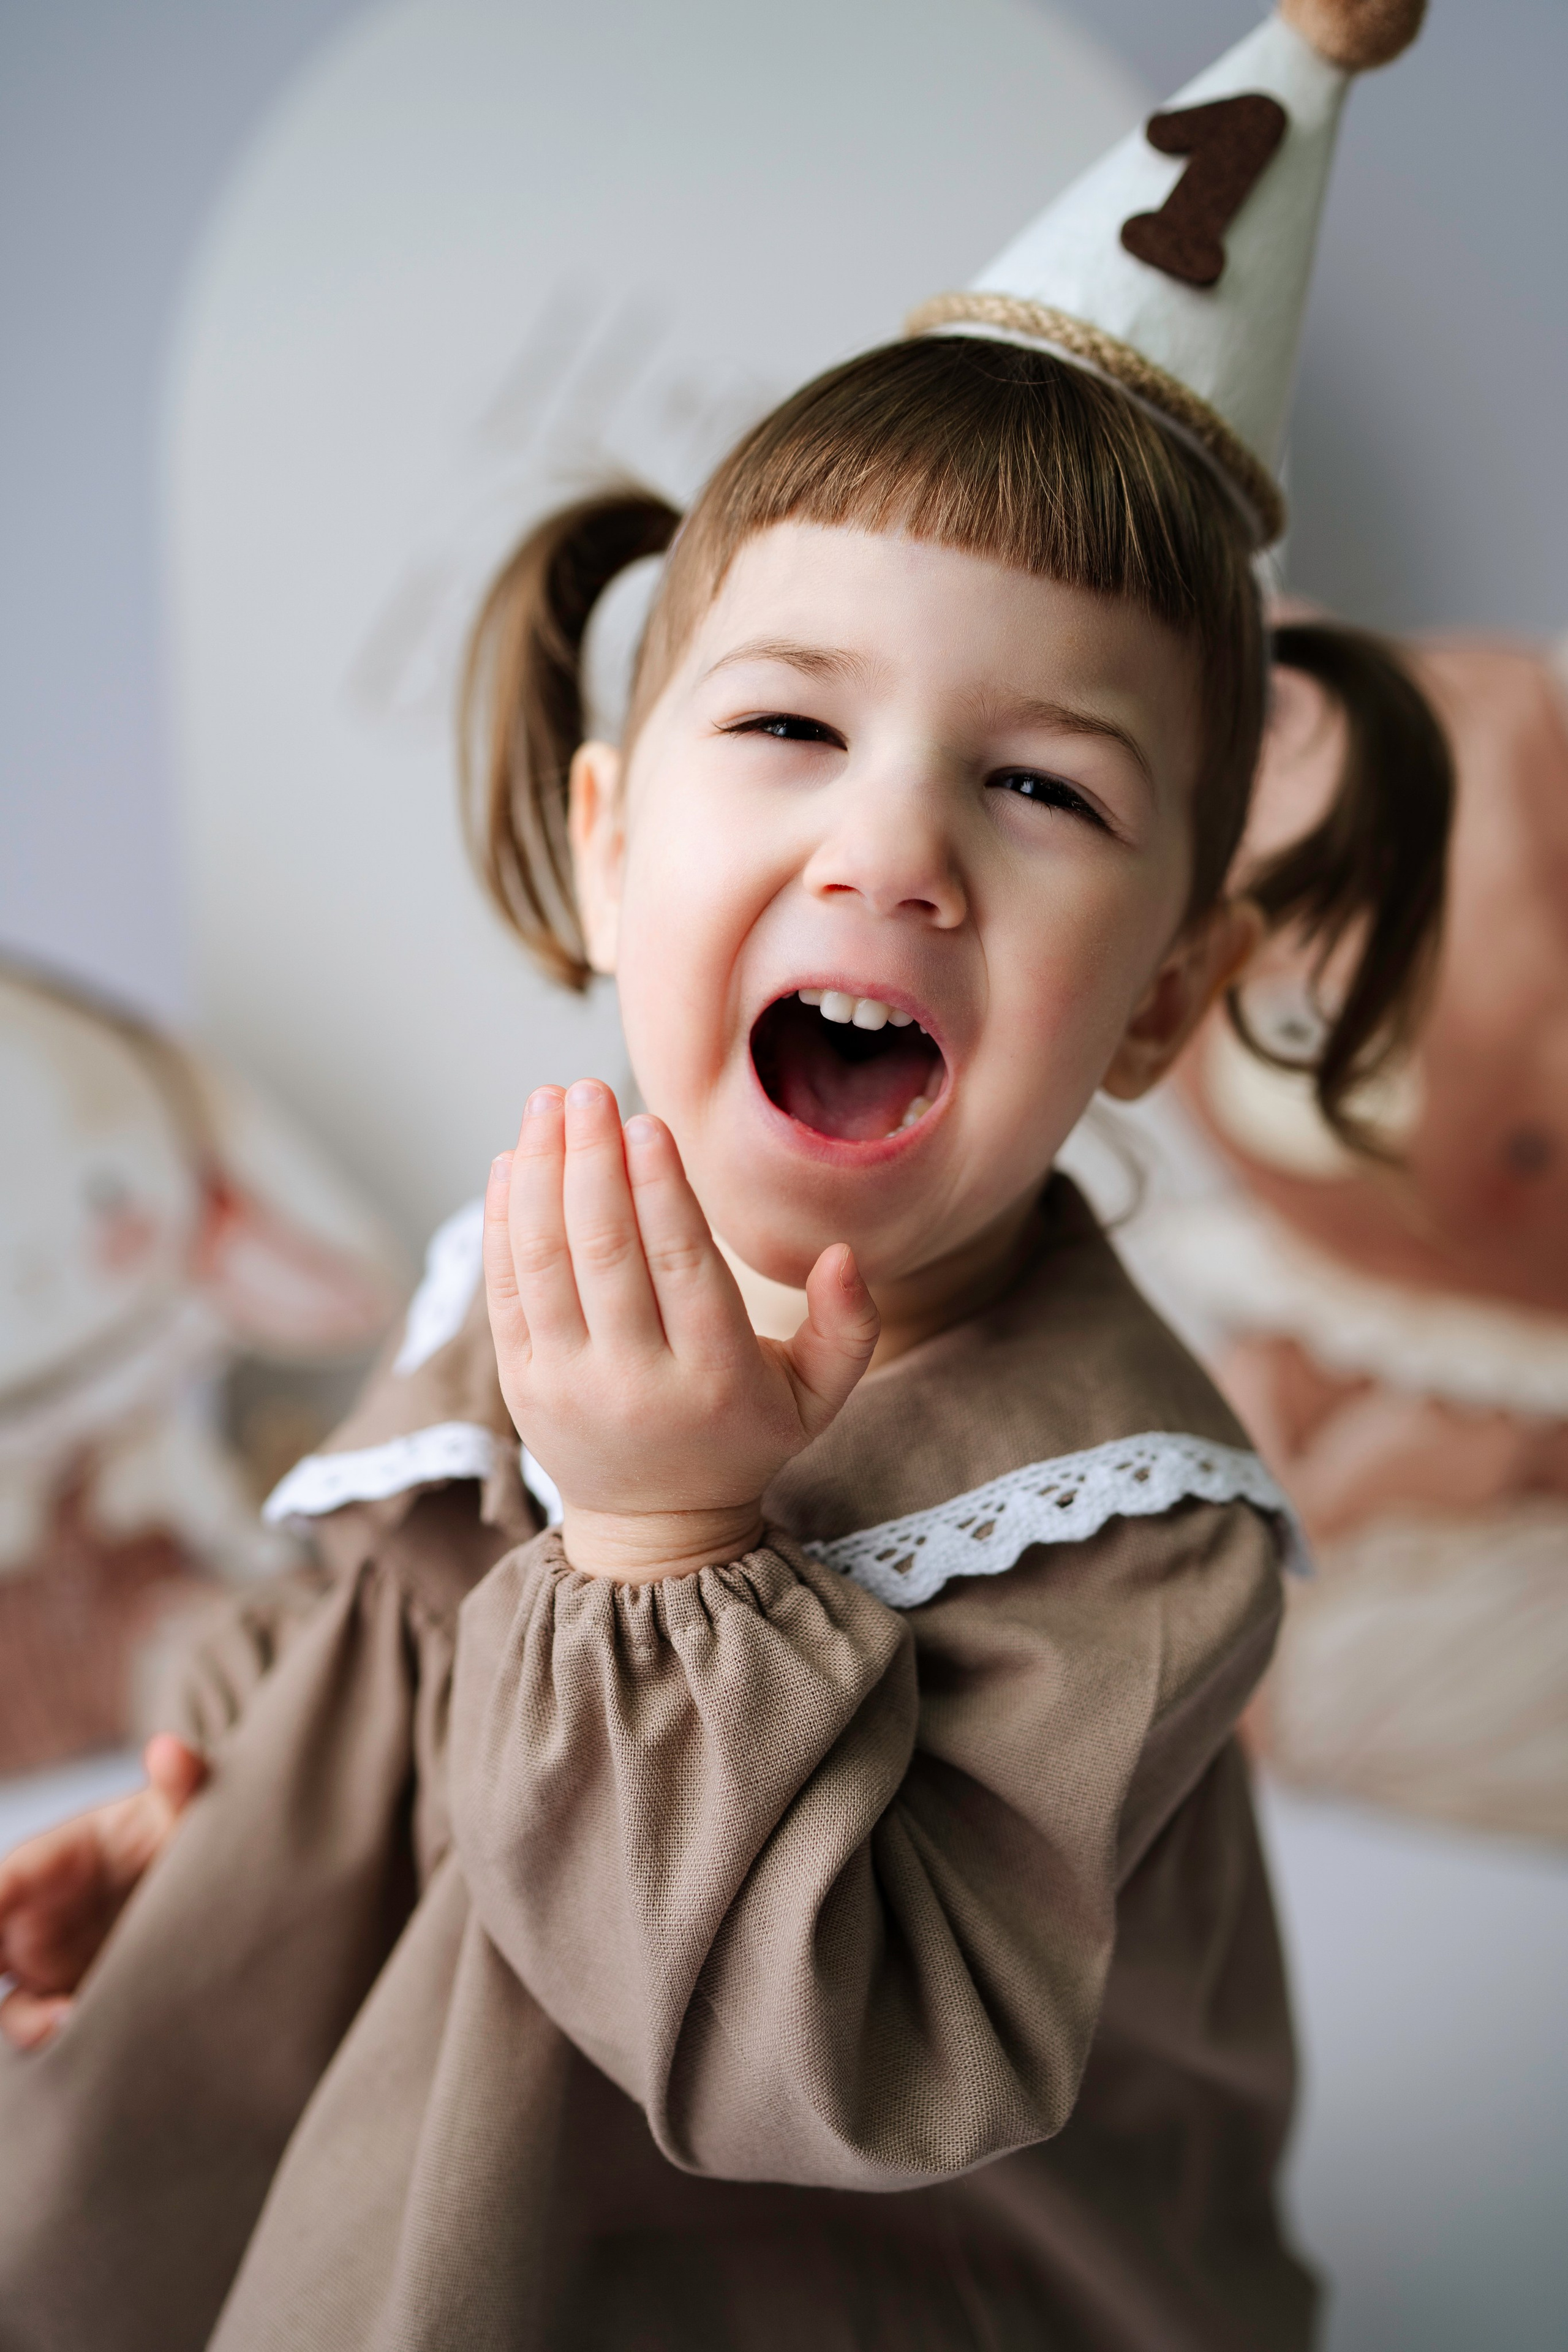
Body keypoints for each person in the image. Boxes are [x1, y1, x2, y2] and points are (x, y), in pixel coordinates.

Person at [0, 6, 1444, 2346]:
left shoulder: (1126, 1529)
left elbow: (859, 2063)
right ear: (611, 835)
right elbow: (390, 1606)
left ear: (1170, 995)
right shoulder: (556, 1242)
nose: (889, 849)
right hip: (394, 2117)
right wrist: (201, 1835)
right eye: (788, 726)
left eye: (1045, 789)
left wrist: (669, 1546)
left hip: (820, 2258)